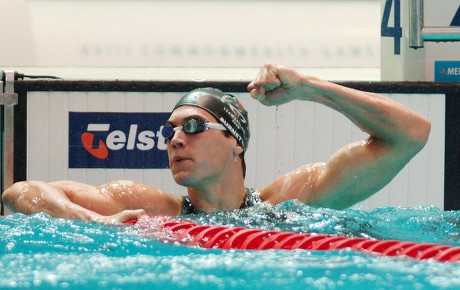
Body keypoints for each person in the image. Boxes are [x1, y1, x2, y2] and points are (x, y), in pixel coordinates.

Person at [1, 63, 431, 224]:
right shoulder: (146, 206)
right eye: (169, 130)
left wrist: (312, 89)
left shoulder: (290, 201)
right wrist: (96, 221)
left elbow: (410, 135)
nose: (174, 139)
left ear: (235, 144)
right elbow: (19, 194)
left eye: (191, 126)